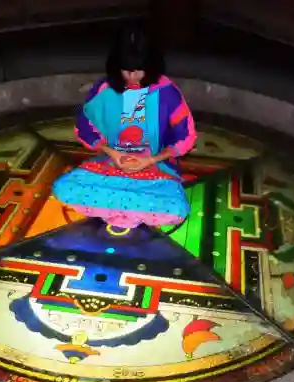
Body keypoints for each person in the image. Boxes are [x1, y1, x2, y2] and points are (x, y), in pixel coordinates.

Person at [52, 26, 197, 235]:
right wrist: (113, 153)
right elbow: (84, 127)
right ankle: (132, 211)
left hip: (155, 167)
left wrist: (150, 160)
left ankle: (113, 208)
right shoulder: (104, 89)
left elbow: (185, 136)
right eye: (126, 69)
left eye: (139, 69)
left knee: (177, 209)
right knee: (63, 187)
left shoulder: (167, 92)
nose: (132, 75)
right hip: (111, 163)